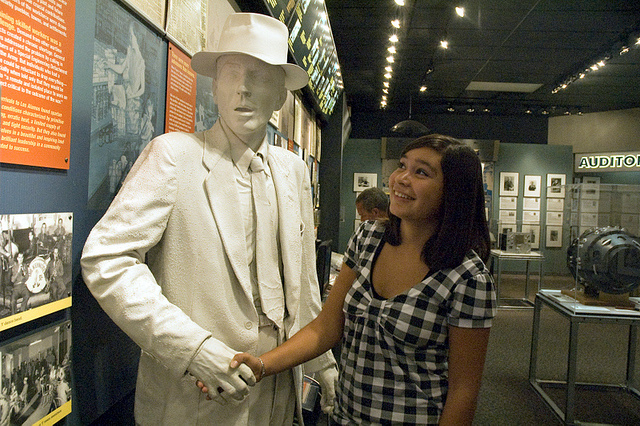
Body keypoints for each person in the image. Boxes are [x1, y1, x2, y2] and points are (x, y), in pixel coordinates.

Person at [81, 12, 337, 425]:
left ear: (280, 97)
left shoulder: (292, 172)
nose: (243, 88)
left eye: (260, 75)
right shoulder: (174, 157)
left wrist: (319, 360)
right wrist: (192, 348)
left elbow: (304, 278)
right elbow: (107, 260)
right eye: (231, 73)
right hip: (197, 397)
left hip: (278, 387)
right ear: (214, 86)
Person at [221, 134, 497, 425]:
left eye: (421, 172)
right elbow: (326, 328)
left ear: (453, 190)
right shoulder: (369, 238)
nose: (401, 179)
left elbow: (463, 391)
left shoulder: (468, 278)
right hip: (345, 417)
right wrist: (262, 365)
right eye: (402, 165)